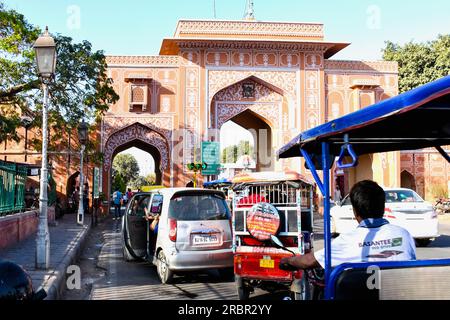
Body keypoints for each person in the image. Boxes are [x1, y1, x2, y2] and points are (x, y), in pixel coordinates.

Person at [280, 180, 416, 270]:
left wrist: (288, 261)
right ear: (383, 206)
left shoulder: (347, 241)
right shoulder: (404, 234)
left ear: (355, 212)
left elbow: (309, 261)